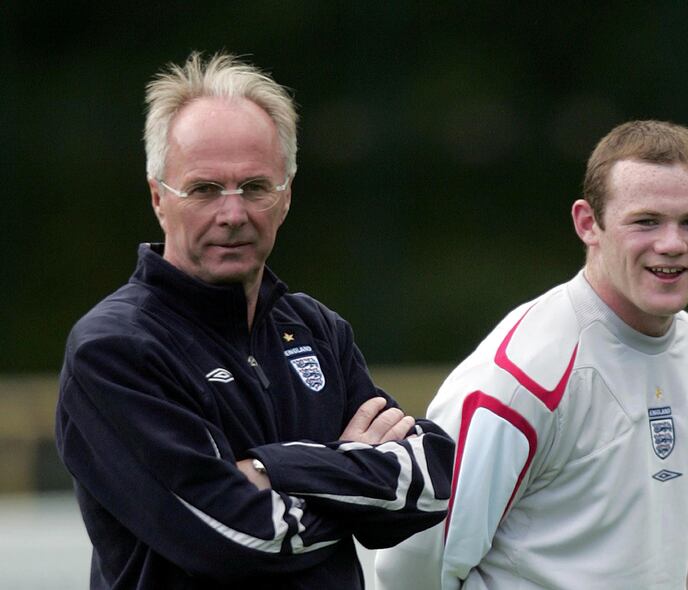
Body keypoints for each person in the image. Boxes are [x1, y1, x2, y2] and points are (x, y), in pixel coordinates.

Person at [55, 52, 454, 590]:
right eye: (203, 189)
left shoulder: (316, 328)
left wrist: (270, 470)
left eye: (255, 187)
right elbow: (240, 539)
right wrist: (355, 474)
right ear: (158, 199)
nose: (233, 214)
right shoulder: (115, 350)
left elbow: (434, 480)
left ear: (285, 197)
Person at [375, 120, 688, 589]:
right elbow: (410, 566)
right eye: (646, 221)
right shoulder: (521, 377)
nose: (672, 244)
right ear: (588, 223)